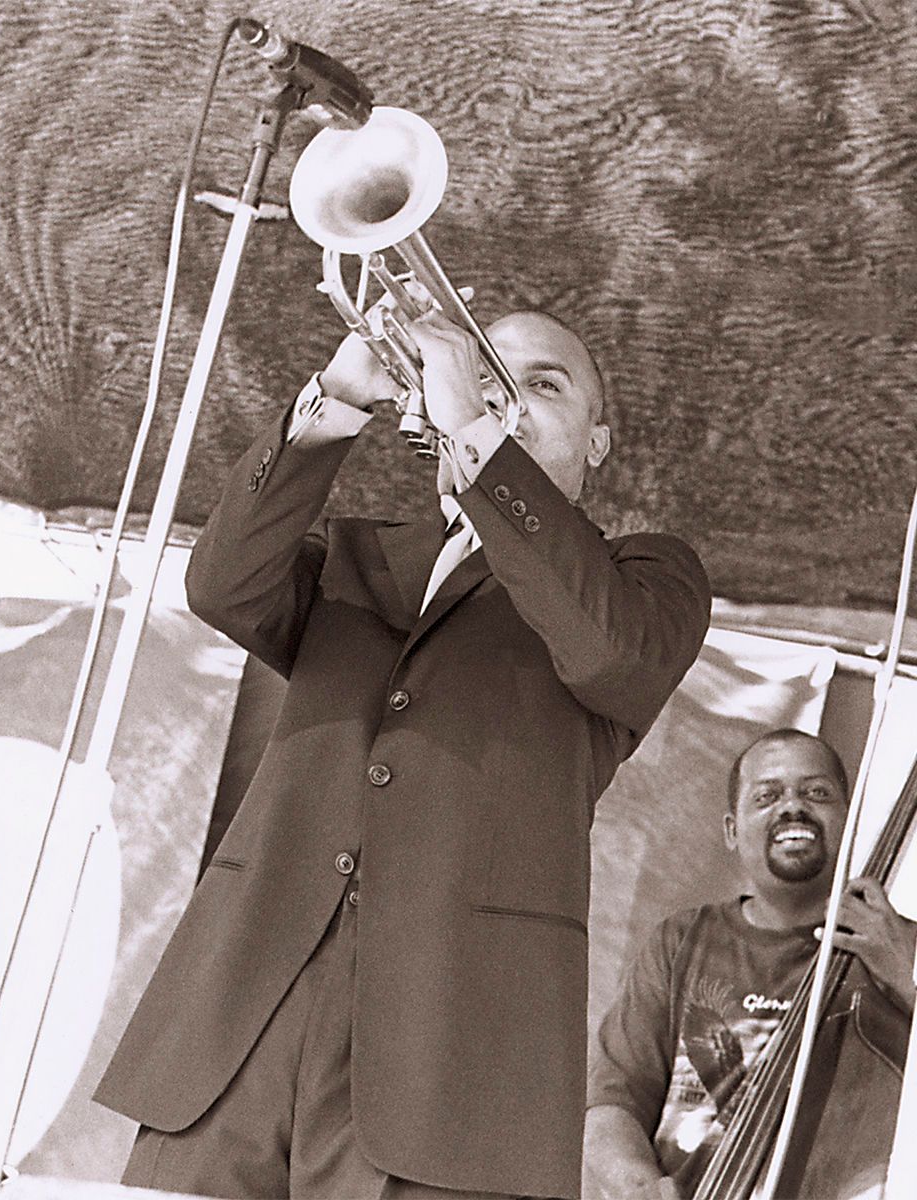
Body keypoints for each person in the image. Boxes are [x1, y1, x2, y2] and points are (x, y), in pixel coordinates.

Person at [94, 300, 713, 1199]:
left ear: (598, 443)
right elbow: (221, 585)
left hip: (445, 1059)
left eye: (541, 386)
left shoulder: (644, 578)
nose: (503, 398)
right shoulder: (357, 553)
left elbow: (612, 655)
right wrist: (338, 398)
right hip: (237, 1029)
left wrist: (479, 438)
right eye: (484, 375)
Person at [585, 729, 914, 1200]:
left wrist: (908, 975)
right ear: (732, 831)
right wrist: (638, 1187)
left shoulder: (901, 946)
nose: (793, 806)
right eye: (767, 796)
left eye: (817, 792)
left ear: (851, 819)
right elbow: (614, 1103)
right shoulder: (679, 941)